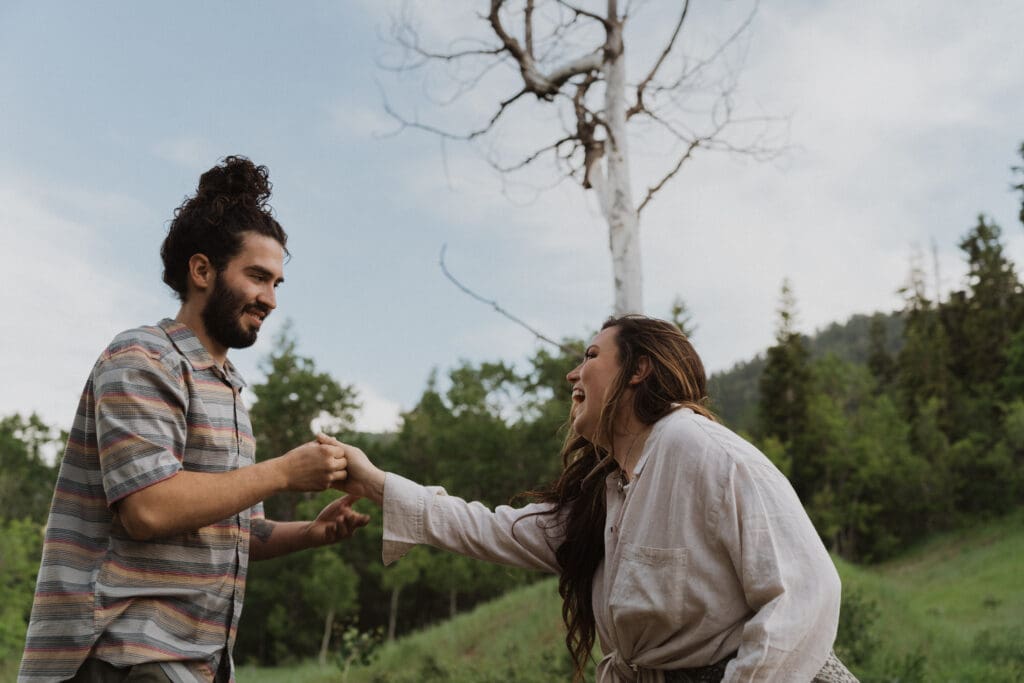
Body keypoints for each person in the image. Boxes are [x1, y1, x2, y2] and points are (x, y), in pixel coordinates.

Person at [335, 315, 858, 682]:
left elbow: (806, 591)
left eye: (590, 356)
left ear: (638, 370)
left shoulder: (697, 446)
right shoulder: (606, 495)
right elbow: (491, 528)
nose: (573, 374)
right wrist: (374, 482)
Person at [19, 156, 368, 683]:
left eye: (277, 283)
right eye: (257, 277)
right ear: (202, 270)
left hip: (190, 664)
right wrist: (284, 472)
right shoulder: (143, 358)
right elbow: (150, 510)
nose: (270, 299)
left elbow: (236, 532)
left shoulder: (228, 391)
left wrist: (311, 533)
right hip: (117, 656)